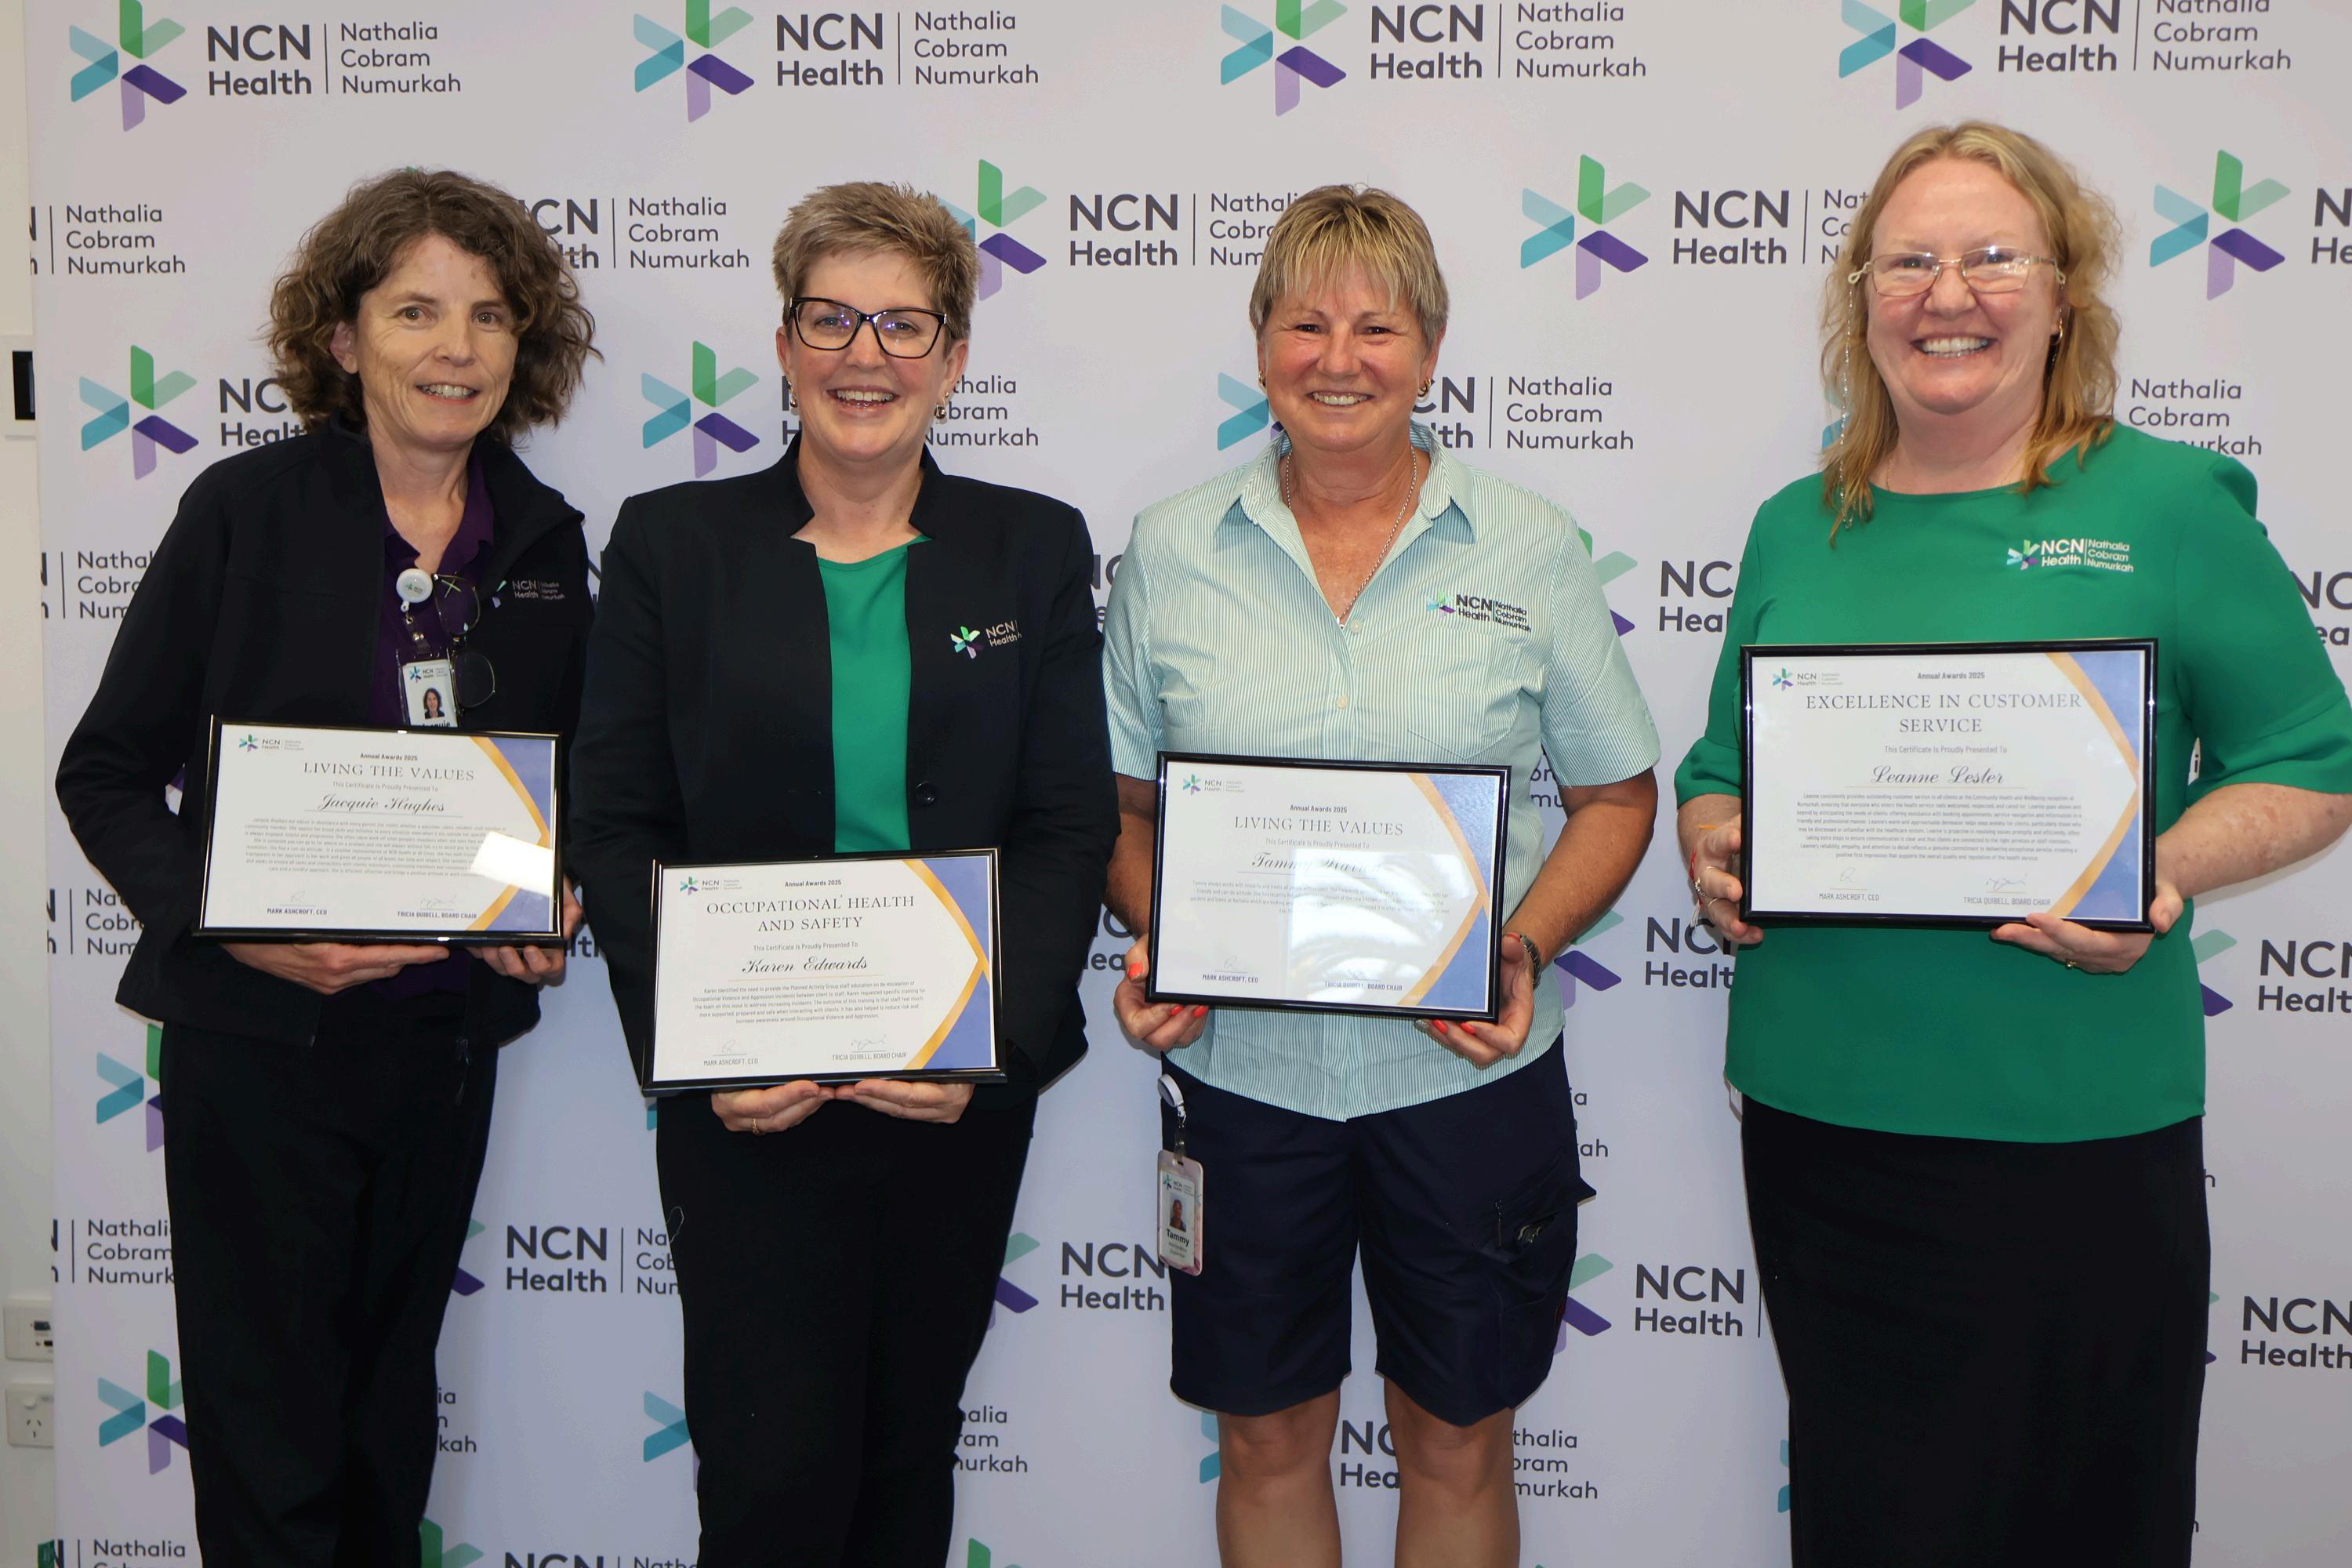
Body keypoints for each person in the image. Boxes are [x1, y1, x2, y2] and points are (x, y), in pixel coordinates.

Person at [1677, 122, 2352, 1568]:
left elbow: (2312, 758)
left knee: (2083, 1522)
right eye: (1906, 263)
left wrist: (2167, 868)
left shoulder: (2166, 504)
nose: (1947, 294)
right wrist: (1716, 835)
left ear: (2064, 296)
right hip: (1824, 1130)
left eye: (1993, 257)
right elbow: (1720, 765)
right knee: (1872, 1522)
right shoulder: (1799, 526)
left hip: (2075, 1128)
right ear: (1862, 301)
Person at [1102, 185, 1659, 1568]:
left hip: (1464, 1078)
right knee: (1265, 1438)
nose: (1339, 359)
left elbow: (1616, 797)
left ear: (1431, 350)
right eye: (1307, 324)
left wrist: (1520, 947)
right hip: (1244, 1078)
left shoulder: (1530, 545)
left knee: (1458, 1439)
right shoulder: (1169, 551)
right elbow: (1120, 808)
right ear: (1260, 345)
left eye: (1377, 328)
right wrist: (1169, 935)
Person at [568, 181, 1115, 1567]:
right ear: (785, 342)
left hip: (953, 1095)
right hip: (749, 1100)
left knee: (906, 1461)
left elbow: (1066, 824)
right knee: (767, 1481)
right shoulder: (670, 547)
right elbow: (616, 820)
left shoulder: (1032, 547)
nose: (865, 356)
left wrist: (994, 1049)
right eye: (831, 320)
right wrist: (697, 1047)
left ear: (954, 357)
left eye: (903, 325)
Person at [56, 168, 597, 1566]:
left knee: (384, 1432)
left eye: (490, 315)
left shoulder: (545, 543)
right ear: (344, 337)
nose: (456, 348)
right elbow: (104, 772)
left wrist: (550, 906)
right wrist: (227, 922)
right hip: (260, 1049)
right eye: (415, 311)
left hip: (441, 1048)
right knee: (268, 1441)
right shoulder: (244, 512)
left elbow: (564, 791)